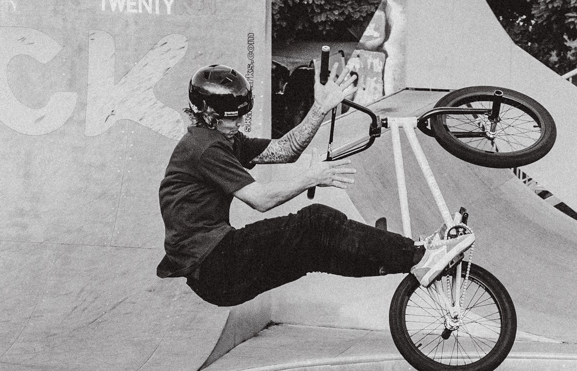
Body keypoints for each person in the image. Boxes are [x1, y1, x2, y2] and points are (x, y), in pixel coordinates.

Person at [155, 65, 468, 309]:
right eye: (231, 119)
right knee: (314, 222)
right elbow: (260, 200)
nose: (238, 124)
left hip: (216, 275)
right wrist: (311, 177)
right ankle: (416, 255)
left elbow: (286, 150)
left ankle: (401, 258)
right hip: (214, 263)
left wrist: (319, 109)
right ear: (206, 113)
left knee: (318, 252)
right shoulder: (204, 147)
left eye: (241, 116)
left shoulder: (225, 138)